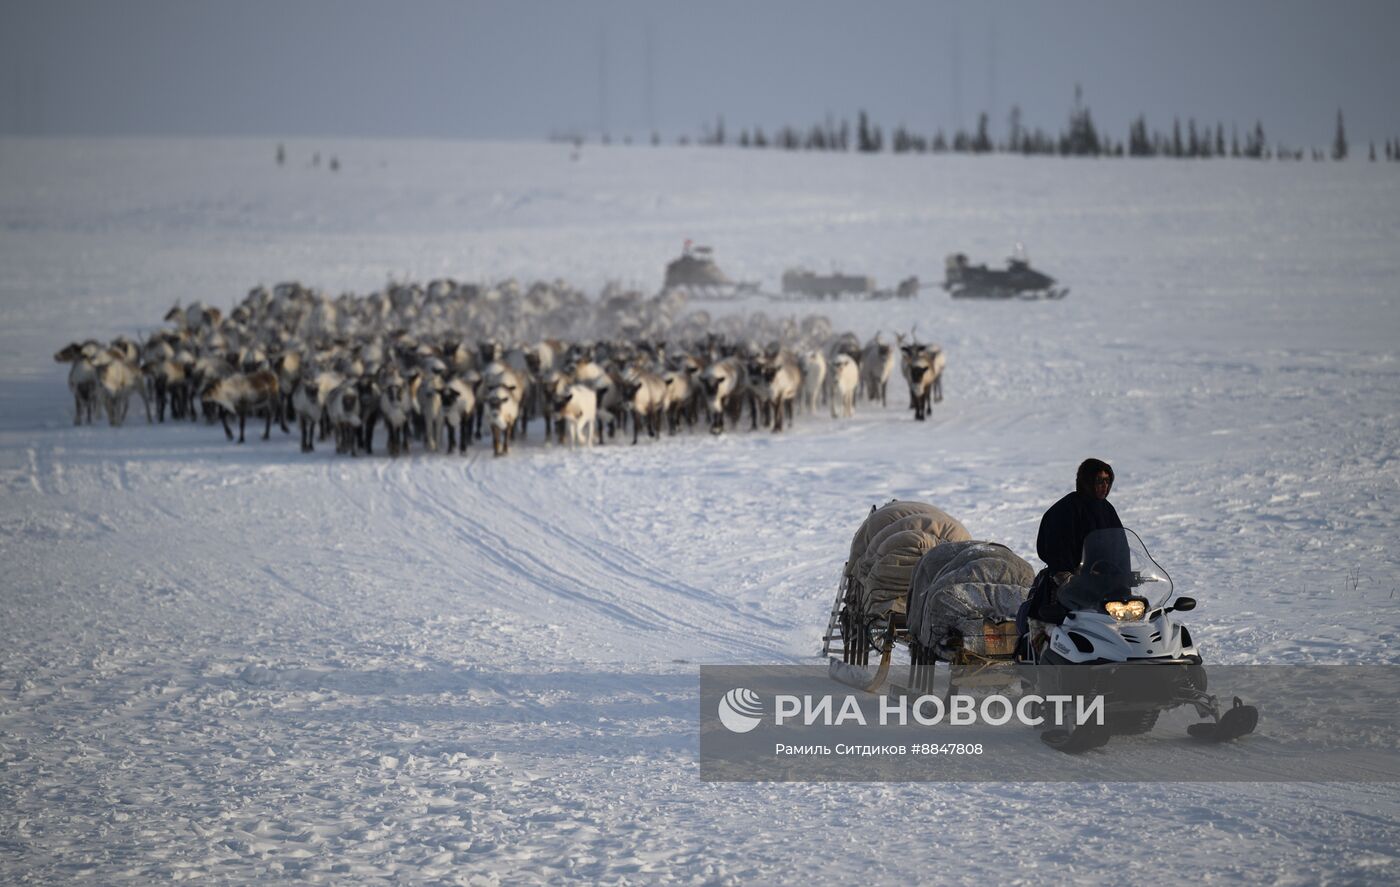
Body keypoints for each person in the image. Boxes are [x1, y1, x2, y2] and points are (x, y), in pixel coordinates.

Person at [1019, 459, 1123, 638]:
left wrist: (1124, 573)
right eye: (1099, 481)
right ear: (1086, 481)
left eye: (1108, 481)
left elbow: (1120, 546)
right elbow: (1054, 546)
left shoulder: (1107, 510)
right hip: (1070, 587)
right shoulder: (1065, 510)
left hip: (1104, 585)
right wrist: (1066, 574)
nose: (1104, 486)